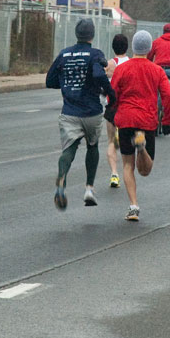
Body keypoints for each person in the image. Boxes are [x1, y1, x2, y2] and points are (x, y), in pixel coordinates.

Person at [46, 18, 115, 211]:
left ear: (76, 34)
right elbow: (99, 75)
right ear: (92, 35)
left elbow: (50, 80)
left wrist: (67, 82)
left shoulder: (64, 54)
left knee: (69, 149)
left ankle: (61, 180)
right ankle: (89, 189)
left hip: (69, 112)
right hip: (91, 112)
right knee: (92, 146)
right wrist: (110, 93)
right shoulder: (95, 54)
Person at [110, 30, 170, 221]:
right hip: (147, 120)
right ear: (149, 49)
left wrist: (114, 108)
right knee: (146, 170)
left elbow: (112, 93)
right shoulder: (157, 70)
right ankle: (142, 148)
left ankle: (133, 206)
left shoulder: (122, 69)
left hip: (126, 119)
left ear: (134, 47)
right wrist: (167, 120)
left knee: (128, 165)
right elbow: (169, 95)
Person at [104, 34, 129, 188]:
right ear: (127, 47)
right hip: (127, 107)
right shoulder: (132, 63)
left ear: (113, 47)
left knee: (111, 142)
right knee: (128, 143)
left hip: (112, 107)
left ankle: (114, 173)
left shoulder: (109, 65)